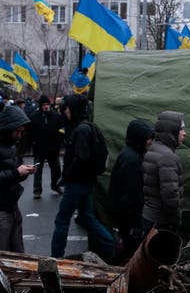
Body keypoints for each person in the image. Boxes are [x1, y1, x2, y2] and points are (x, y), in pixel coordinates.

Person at [50, 95, 115, 259]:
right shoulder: (88, 127)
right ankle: (111, 246)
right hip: (86, 183)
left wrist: (67, 175)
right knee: (88, 217)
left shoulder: (81, 130)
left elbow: (81, 158)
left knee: (62, 221)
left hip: (77, 184)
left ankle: (56, 259)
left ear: (73, 109)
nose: (65, 112)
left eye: (66, 109)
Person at [0, 105, 35, 252]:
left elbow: (11, 172)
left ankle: (17, 275)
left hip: (11, 204)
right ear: (9, 128)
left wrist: (23, 172)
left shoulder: (9, 144)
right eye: (18, 131)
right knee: (3, 253)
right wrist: (16, 173)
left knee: (17, 251)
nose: (20, 135)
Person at [108, 119, 154, 261]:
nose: (150, 142)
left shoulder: (130, 155)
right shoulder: (132, 160)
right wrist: (136, 225)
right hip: (128, 222)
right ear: (139, 139)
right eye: (148, 139)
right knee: (128, 257)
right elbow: (132, 196)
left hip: (124, 220)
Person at [142, 111, 186, 231]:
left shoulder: (153, 149)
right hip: (161, 222)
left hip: (150, 217)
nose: (184, 133)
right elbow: (170, 195)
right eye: (181, 129)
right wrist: (175, 221)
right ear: (171, 130)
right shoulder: (167, 157)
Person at [28, 95, 63, 199]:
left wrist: (59, 138)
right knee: (37, 170)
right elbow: (30, 132)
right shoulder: (34, 116)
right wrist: (32, 142)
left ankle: (55, 186)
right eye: (44, 105)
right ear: (40, 106)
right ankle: (37, 190)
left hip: (53, 148)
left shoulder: (56, 115)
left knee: (56, 169)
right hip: (39, 149)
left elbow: (61, 128)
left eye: (47, 104)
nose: (46, 107)